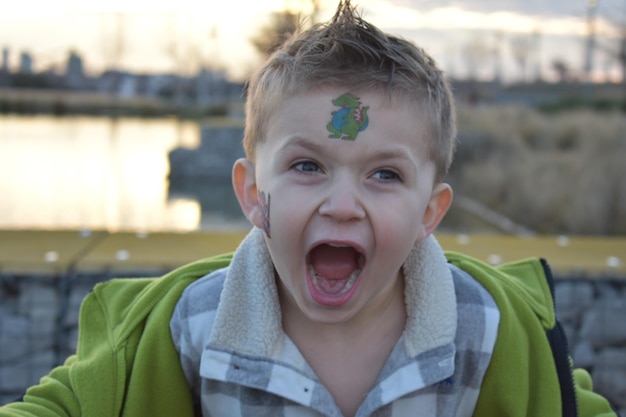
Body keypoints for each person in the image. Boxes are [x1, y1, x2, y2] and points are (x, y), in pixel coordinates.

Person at [0, 1, 620, 416]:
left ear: (431, 212)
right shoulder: (186, 331)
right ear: (250, 194)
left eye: (384, 173)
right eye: (307, 167)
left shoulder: (490, 331)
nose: (342, 205)